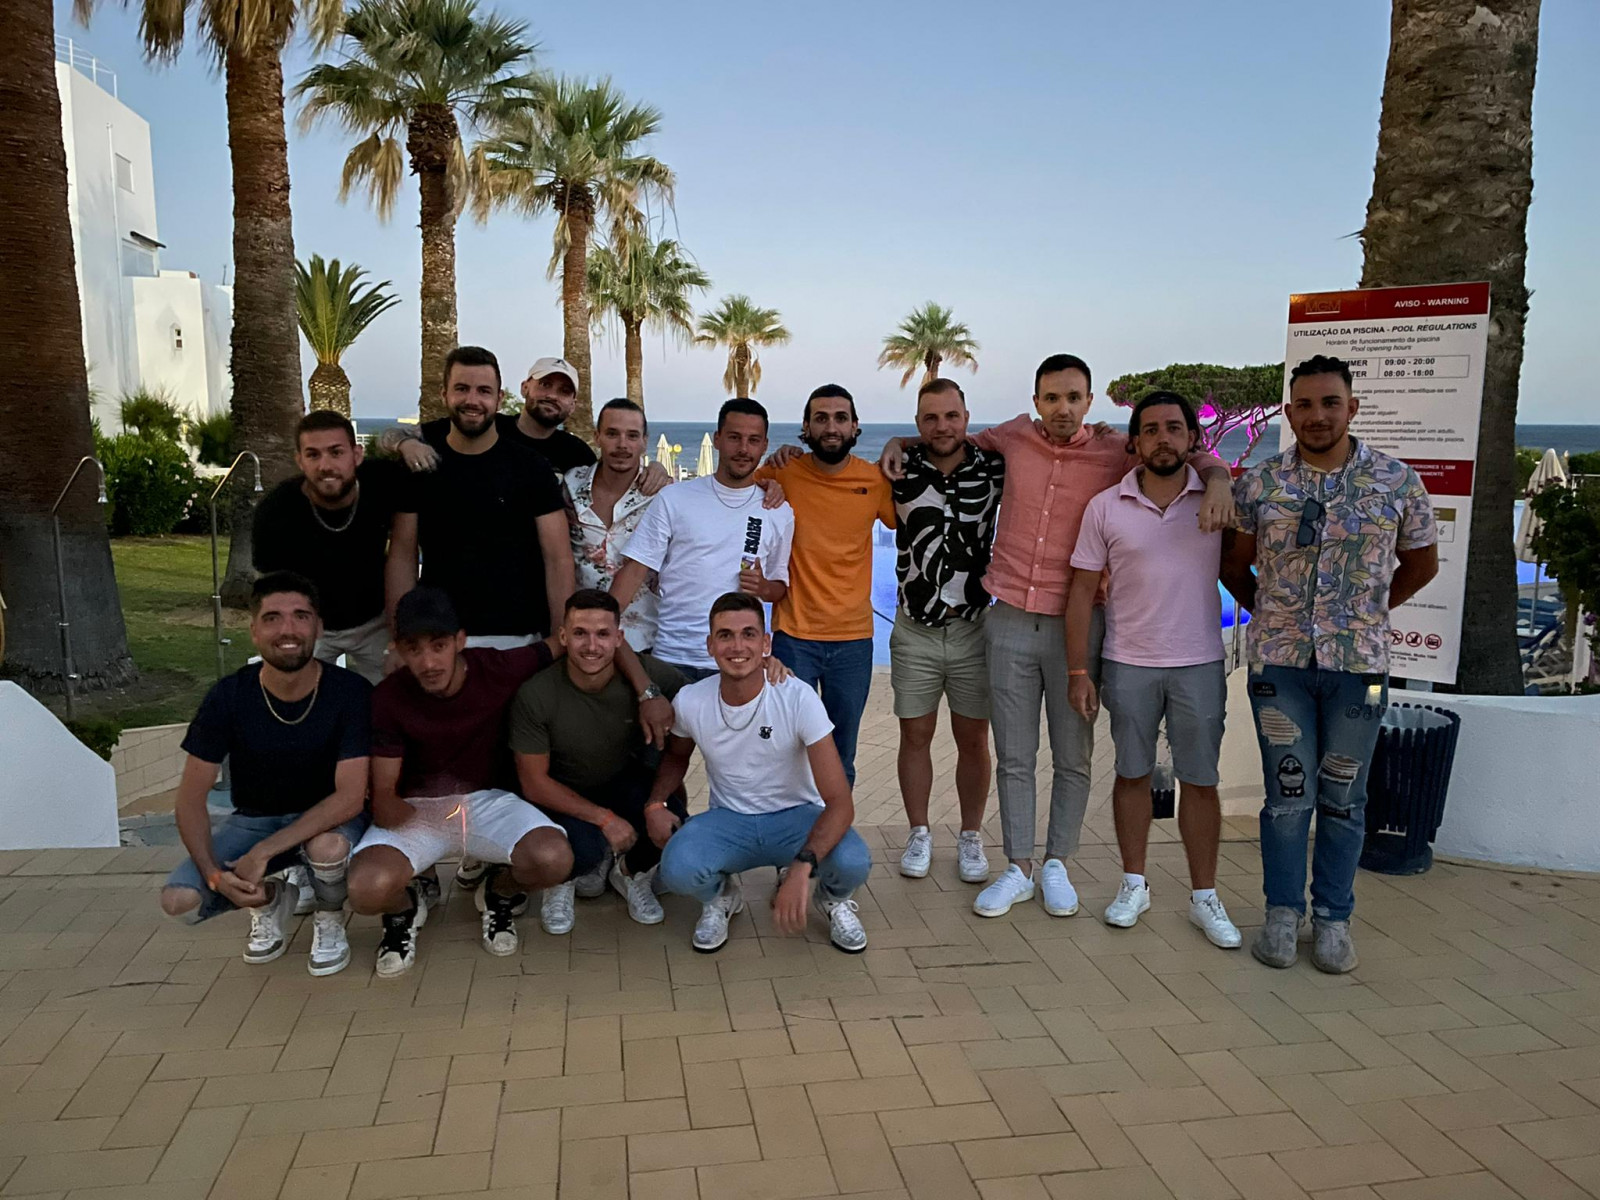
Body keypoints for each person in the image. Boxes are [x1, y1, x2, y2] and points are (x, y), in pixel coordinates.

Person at [883, 355, 1234, 920]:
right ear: (1036, 402)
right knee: (1014, 754)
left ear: (1089, 401)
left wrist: (1217, 477)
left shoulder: (1115, 449)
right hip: (1008, 620)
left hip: (1080, 625)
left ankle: (1057, 864)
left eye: (1073, 397)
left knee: (1073, 756)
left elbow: (1179, 452)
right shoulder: (1012, 437)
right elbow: (949, 438)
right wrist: (897, 439)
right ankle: (1018, 866)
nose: (1062, 409)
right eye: (1051, 398)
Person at [1222, 355, 1438, 973]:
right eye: (1305, 405)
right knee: (1288, 796)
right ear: (1290, 414)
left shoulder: (1397, 482)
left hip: (1358, 672)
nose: (1317, 415)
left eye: (1330, 403)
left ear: (1352, 408)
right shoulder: (1260, 484)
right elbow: (1232, 564)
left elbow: (1422, 565)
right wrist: (1273, 614)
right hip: (1280, 669)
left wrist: (1367, 614)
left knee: (1345, 797)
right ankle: (1282, 914)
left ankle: (1334, 919)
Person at [345, 587, 672, 976]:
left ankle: (499, 893)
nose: (428, 662)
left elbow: (585, 639)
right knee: (365, 890)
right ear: (398, 649)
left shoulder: (497, 668)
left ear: (460, 641)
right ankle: (403, 910)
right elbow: (385, 793)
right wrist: (389, 810)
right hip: (419, 807)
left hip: (488, 800)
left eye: (439, 646)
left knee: (553, 858)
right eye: (413, 649)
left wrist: (646, 691)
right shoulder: (389, 697)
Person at [1066, 391, 1240, 949]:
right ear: (1134, 442)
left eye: (1174, 428)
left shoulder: (1216, 500)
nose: (1163, 439)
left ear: (1193, 437)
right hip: (1128, 661)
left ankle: (1204, 896)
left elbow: (1243, 568)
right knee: (1132, 774)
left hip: (1199, 662)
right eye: (1150, 429)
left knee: (1201, 781)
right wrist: (1078, 671)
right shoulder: (1105, 506)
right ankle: (1134, 884)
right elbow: (1081, 592)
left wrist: (1220, 479)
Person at [158, 572, 369, 977]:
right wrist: (215, 876)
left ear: (319, 627)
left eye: (300, 616)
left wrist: (262, 853)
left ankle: (329, 914)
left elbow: (350, 797)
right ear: (254, 631)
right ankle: (270, 898)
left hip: (329, 823)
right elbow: (189, 800)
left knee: (327, 850)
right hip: (255, 820)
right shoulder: (228, 696)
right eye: (272, 618)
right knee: (180, 903)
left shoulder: (350, 692)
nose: (288, 630)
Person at [653, 593, 873, 954]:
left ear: (766, 643)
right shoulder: (691, 700)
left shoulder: (797, 697)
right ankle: (721, 897)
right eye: (725, 635)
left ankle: (831, 899)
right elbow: (676, 756)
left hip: (796, 817)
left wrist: (803, 867)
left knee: (854, 861)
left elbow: (840, 802)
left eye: (749, 634)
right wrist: (655, 804)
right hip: (730, 819)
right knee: (677, 868)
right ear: (710, 645)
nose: (737, 646)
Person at [510, 590, 689, 933]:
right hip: (562, 792)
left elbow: (709, 702)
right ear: (563, 636)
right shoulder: (537, 692)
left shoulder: (651, 676)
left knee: (674, 826)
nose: (592, 646)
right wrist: (604, 820)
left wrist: (769, 668)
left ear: (619, 638)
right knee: (579, 853)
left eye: (603, 634)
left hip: (621, 781)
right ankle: (562, 880)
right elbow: (534, 783)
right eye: (580, 633)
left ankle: (629, 872)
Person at [889, 379, 1003, 885]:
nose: (942, 426)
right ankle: (919, 832)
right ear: (918, 424)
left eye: (951, 416)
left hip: (974, 627)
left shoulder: (994, 468)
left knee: (973, 738)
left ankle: (971, 835)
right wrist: (897, 444)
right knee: (914, 735)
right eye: (931, 418)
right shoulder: (898, 467)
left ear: (966, 418)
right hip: (914, 628)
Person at [754, 385, 895, 785]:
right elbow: (731, 485)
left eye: (840, 418)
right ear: (806, 427)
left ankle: (835, 824)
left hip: (853, 642)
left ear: (855, 426)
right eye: (821, 418)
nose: (831, 427)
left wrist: (902, 444)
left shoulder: (874, 480)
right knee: (786, 749)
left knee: (841, 753)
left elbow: (907, 518)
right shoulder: (783, 472)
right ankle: (793, 823)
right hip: (793, 638)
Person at [391, 345, 575, 650]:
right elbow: (401, 556)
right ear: (444, 394)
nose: (472, 400)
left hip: (520, 640)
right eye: (461, 389)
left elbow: (558, 559)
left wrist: (559, 641)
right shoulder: (419, 467)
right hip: (437, 640)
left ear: (499, 399)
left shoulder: (532, 468)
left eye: (484, 391)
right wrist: (399, 639)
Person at [611, 398, 795, 681]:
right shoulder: (675, 498)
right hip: (672, 658)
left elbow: (779, 587)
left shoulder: (778, 511)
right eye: (734, 437)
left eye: (753, 440)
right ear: (717, 439)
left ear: (764, 445)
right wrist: (601, 626)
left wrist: (763, 586)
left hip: (737, 661)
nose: (743, 449)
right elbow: (635, 570)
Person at [252, 410, 416, 684]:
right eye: (313, 455)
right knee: (292, 690)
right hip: (312, 624)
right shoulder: (276, 512)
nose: (325, 465)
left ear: (357, 455)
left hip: (375, 620)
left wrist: (402, 637)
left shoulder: (385, 483)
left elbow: (403, 558)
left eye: (336, 452)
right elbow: (273, 592)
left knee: (401, 690)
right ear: (300, 461)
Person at [382, 355, 597, 475]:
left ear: (573, 405)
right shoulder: (485, 426)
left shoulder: (578, 454)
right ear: (524, 388)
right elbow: (390, 436)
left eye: (564, 391)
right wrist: (406, 444)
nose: (552, 395)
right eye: (545, 384)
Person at [566, 399, 662, 653]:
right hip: (582, 640)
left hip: (644, 640)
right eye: (612, 434)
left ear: (644, 441)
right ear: (597, 436)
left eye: (632, 436)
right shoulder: (571, 484)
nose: (622, 444)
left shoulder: (663, 495)